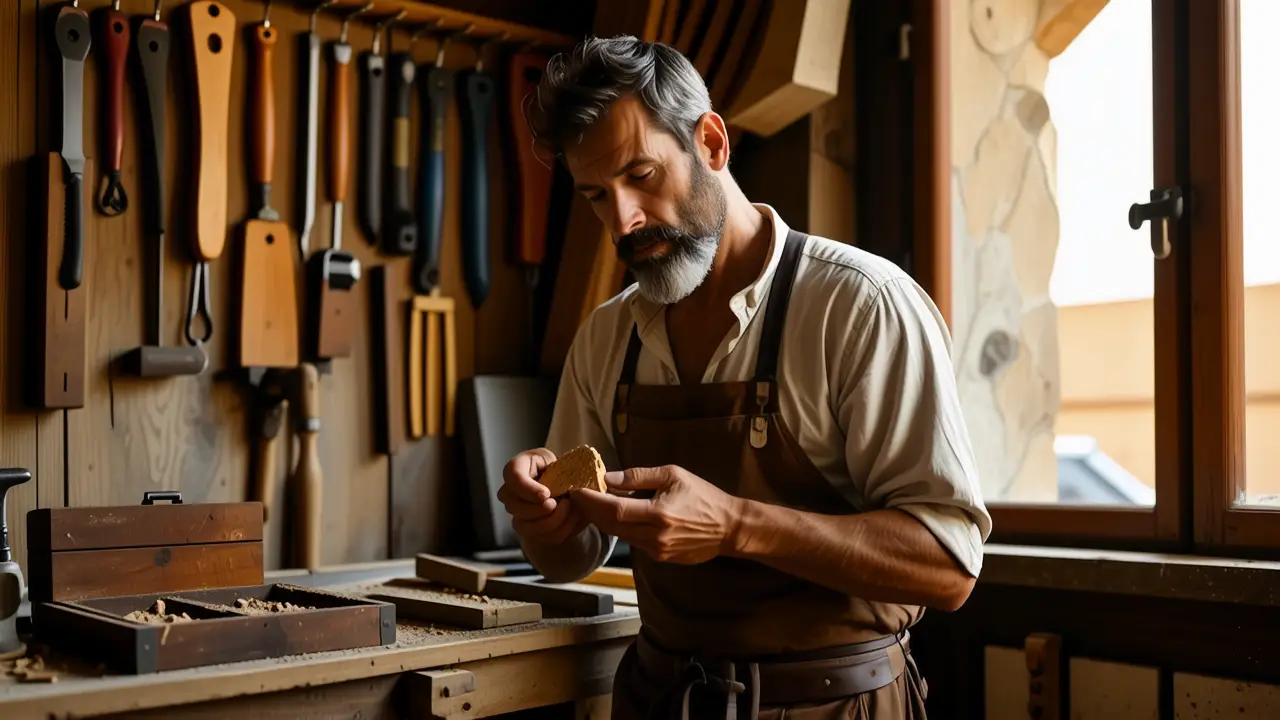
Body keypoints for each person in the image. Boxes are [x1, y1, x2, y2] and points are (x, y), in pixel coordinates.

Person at [497, 35, 991, 720]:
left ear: (711, 143)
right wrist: (546, 522)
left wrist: (735, 526)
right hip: (660, 701)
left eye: (642, 175)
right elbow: (571, 557)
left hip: (835, 707)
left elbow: (948, 566)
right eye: (596, 196)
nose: (624, 221)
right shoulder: (608, 336)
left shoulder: (861, 306)